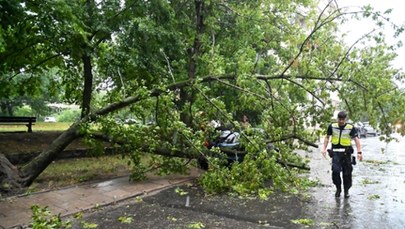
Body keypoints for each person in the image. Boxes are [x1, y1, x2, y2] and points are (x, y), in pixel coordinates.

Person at [321, 111, 363, 198]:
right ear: (337, 118)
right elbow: (327, 137)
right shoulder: (332, 126)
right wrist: (324, 148)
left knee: (347, 173)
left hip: (346, 153)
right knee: (335, 172)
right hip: (336, 153)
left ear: (345, 119)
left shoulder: (350, 127)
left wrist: (359, 152)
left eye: (343, 120)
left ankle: (346, 190)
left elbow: (356, 140)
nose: (341, 121)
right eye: (339, 119)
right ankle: (338, 189)